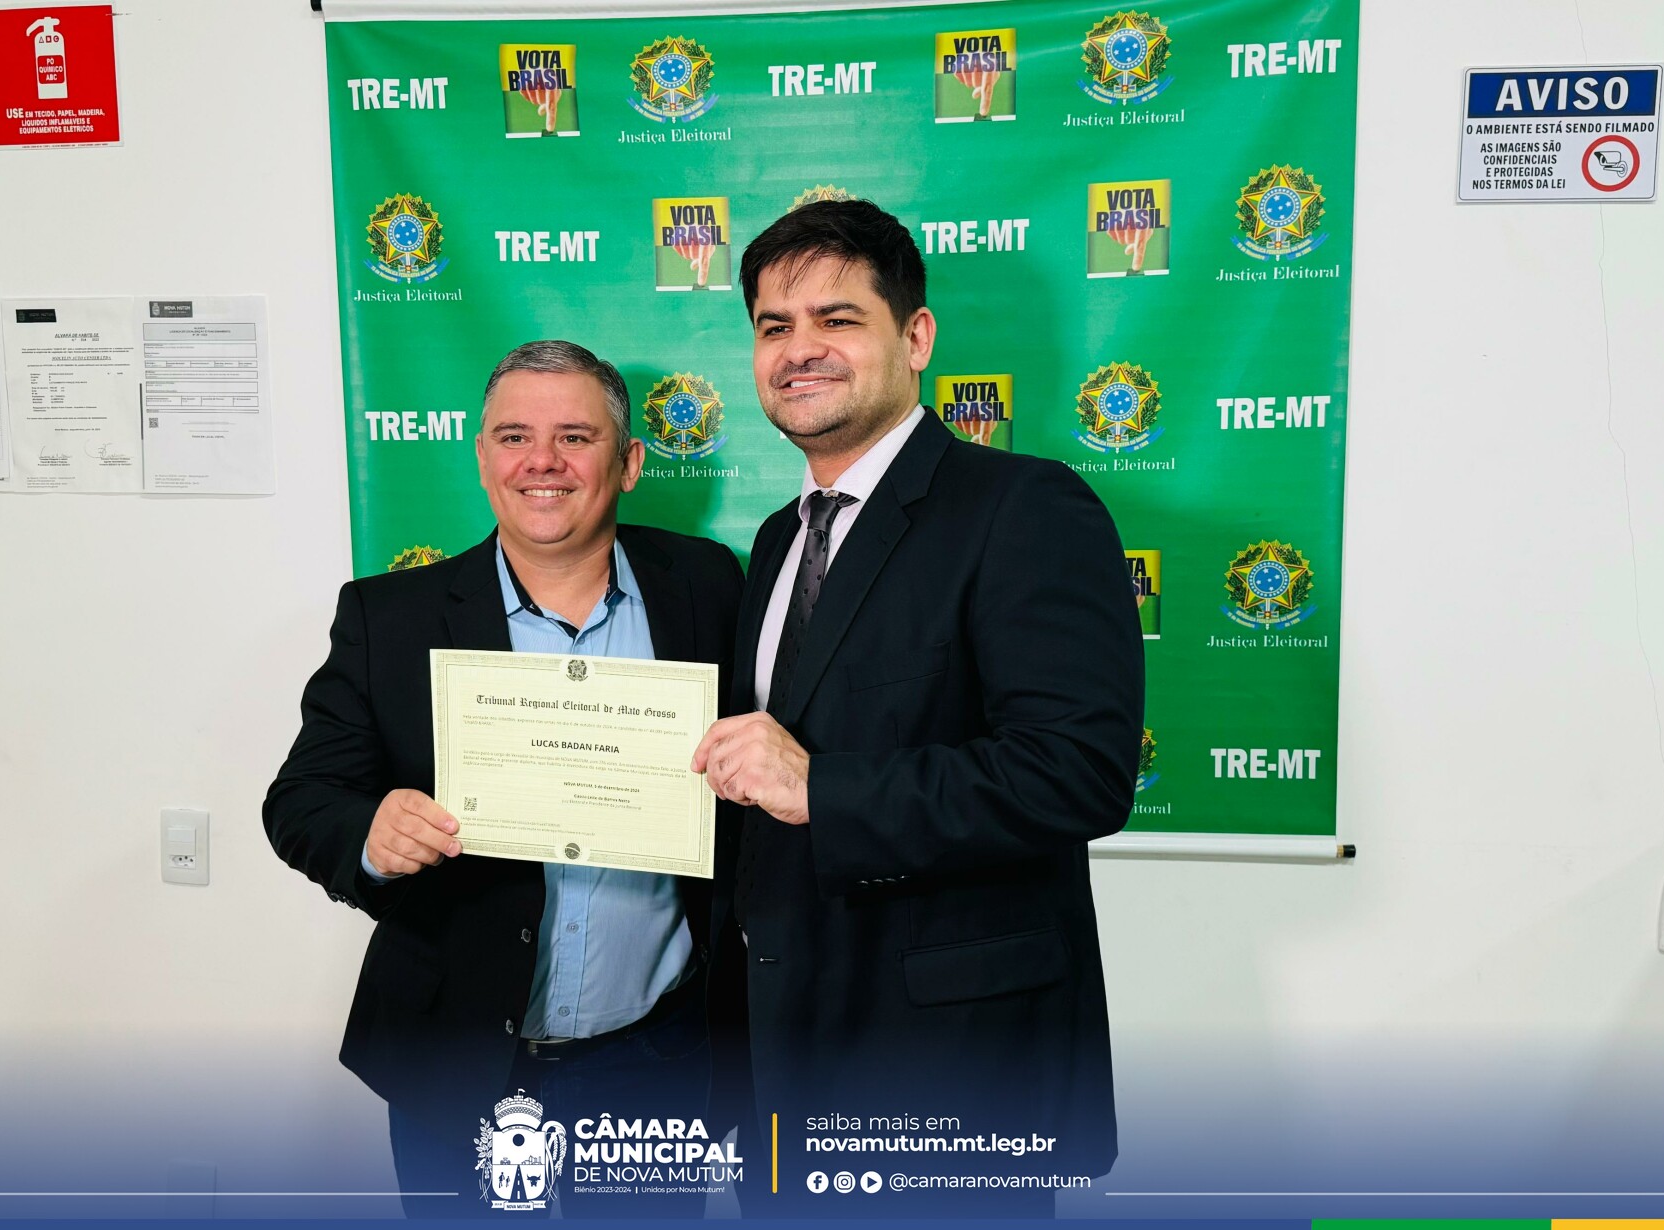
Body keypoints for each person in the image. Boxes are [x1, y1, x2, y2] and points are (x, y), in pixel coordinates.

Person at [690, 200, 1145, 1201]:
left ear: (916, 338)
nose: (800, 350)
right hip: (781, 1064)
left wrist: (821, 788)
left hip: (951, 1070)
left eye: (838, 319)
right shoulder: (777, 540)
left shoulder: (1024, 507)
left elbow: (1079, 773)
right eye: (774, 326)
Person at [265, 340, 743, 1218]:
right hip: (459, 1057)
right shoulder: (390, 617)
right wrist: (368, 834)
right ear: (483, 457)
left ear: (631, 463)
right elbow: (300, 801)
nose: (542, 462)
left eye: (576, 438)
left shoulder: (707, 586)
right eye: (515, 436)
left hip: (654, 1059)